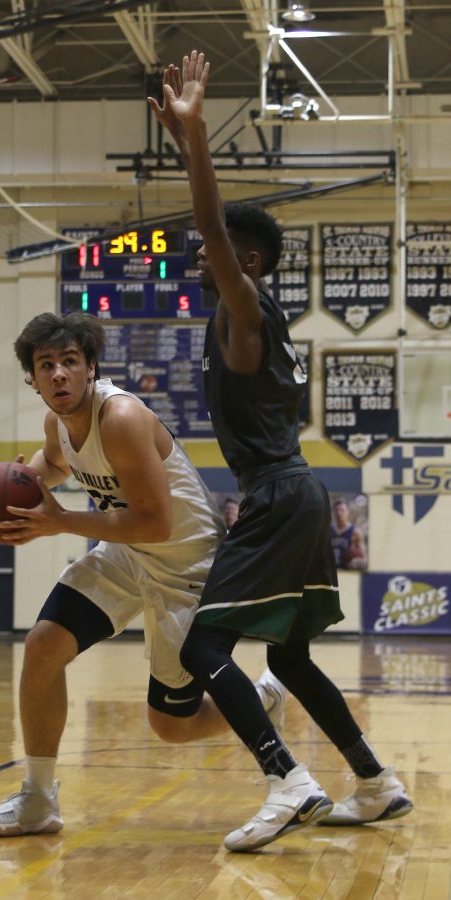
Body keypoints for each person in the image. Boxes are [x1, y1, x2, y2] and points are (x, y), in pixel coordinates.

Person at [149, 50, 412, 852]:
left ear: (248, 262)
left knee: (201, 646)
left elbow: (210, 228)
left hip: (274, 494)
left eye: (219, 252)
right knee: (291, 661)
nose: (204, 257)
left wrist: (194, 142)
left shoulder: (247, 308)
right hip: (298, 492)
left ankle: (286, 779)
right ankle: (374, 782)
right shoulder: (259, 325)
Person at [0, 311, 286, 837]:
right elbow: (53, 466)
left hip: (187, 566)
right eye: (46, 365)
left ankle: (262, 699)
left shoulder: (120, 418)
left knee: (170, 726)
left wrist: (62, 522)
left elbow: (156, 521)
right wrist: (9, 479)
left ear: (91, 368)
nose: (59, 375)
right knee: (44, 644)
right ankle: (39, 798)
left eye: (70, 362)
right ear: (33, 379)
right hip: (131, 551)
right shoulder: (58, 424)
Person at [330, 499, 367, 570]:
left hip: (346, 570)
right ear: (333, 513)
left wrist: (356, 561)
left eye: (342, 510)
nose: (339, 513)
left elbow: (362, 555)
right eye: (336, 510)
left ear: (347, 512)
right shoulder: (327, 531)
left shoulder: (355, 531)